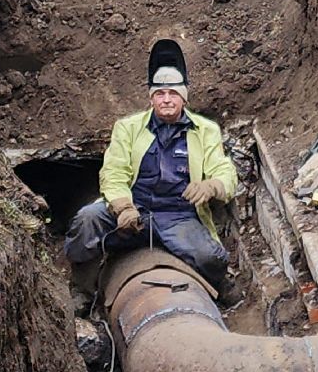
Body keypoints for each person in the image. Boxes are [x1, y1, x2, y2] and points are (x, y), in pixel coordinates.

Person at [64, 40, 238, 306]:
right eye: (160, 94)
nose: (166, 99)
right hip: (135, 210)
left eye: (172, 93)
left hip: (178, 215)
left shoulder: (205, 130)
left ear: (183, 97)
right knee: (87, 220)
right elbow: (113, 171)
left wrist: (212, 185)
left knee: (209, 257)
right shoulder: (128, 128)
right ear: (151, 97)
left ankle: (219, 287)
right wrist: (123, 207)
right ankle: (83, 289)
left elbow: (224, 170)